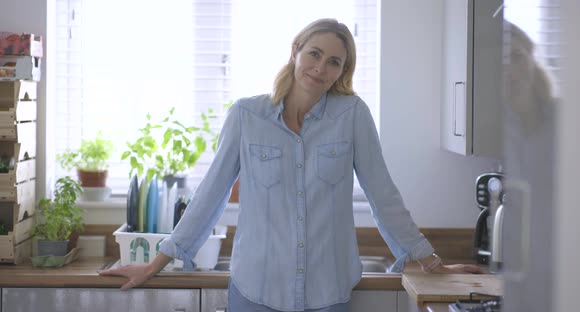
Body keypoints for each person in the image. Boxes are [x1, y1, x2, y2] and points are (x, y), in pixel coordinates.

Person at [100, 18, 481, 311]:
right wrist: (155, 263)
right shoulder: (247, 115)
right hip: (255, 292)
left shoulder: (352, 115)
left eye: (334, 62)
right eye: (314, 54)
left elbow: (383, 196)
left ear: (342, 72)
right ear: (295, 50)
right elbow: (210, 196)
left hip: (327, 293)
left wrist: (431, 263)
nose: (321, 68)